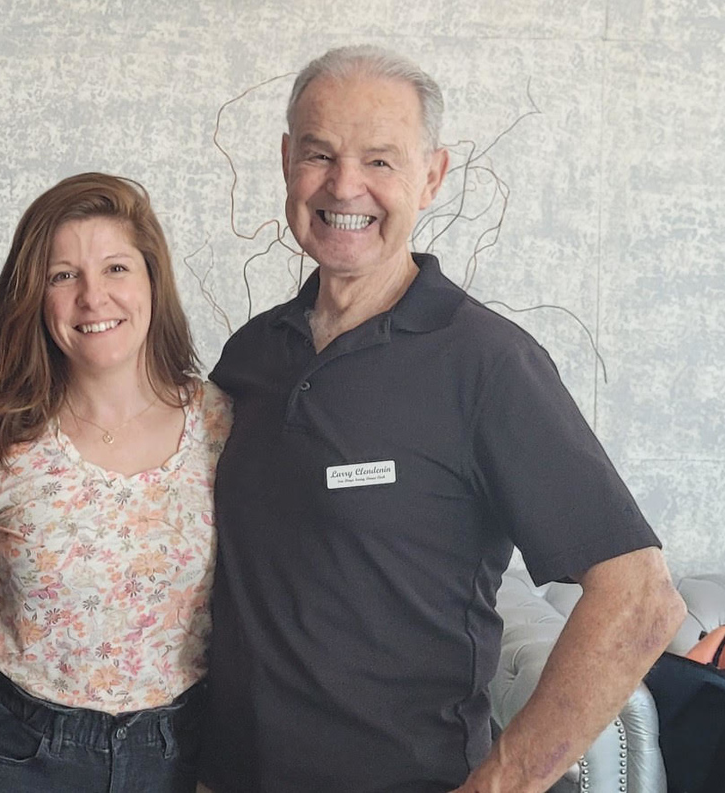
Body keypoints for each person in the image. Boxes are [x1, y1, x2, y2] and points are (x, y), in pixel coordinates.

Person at [196, 45, 687, 793]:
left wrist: (503, 782)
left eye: (380, 161)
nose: (345, 185)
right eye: (320, 154)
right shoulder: (254, 353)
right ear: (287, 162)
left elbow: (641, 599)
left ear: (432, 176)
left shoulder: (488, 365)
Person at [0, 173, 231, 793]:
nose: (93, 297)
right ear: (34, 297)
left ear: (153, 280)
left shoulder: (221, 424)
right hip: (22, 754)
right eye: (63, 276)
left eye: (116, 268)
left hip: (184, 751)